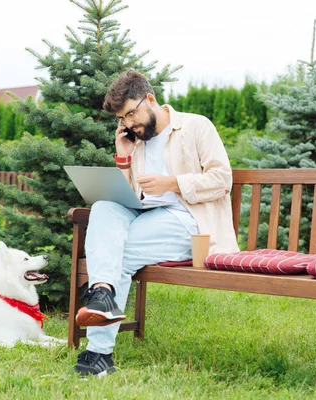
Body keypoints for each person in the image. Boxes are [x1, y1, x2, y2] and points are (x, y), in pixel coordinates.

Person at [73, 70, 240, 377]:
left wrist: (172, 183)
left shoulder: (195, 126)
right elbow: (127, 196)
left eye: (131, 114)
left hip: (189, 222)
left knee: (117, 255)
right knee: (105, 206)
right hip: (145, 216)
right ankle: (103, 294)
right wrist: (123, 158)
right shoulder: (136, 140)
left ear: (150, 99)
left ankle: (98, 353)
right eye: (122, 120)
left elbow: (222, 180)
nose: (129, 124)